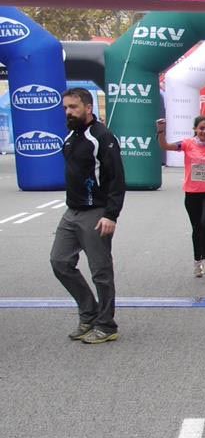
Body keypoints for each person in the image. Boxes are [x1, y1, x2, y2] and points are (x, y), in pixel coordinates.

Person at [53, 87, 126, 345]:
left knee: (101, 272)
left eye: (73, 107)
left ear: (88, 107)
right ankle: (89, 313)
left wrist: (111, 215)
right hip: (72, 212)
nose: (68, 112)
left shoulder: (102, 136)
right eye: (65, 108)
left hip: (96, 212)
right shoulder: (71, 135)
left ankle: (106, 325)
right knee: (59, 262)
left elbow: (117, 179)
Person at [157, 115, 205, 278]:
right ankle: (197, 261)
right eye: (201, 128)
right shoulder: (187, 143)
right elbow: (165, 146)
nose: (204, 131)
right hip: (192, 193)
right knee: (196, 227)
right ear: (195, 129)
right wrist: (160, 131)